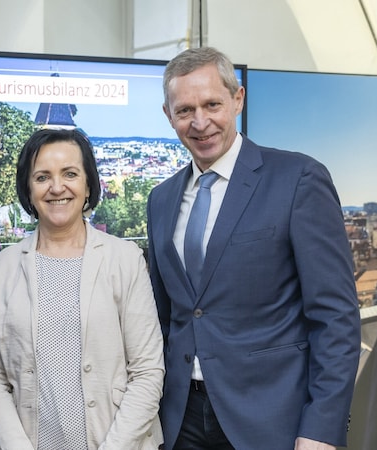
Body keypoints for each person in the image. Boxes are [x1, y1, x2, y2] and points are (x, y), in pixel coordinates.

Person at [146, 46, 361, 450]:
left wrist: (321, 428)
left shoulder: (298, 179)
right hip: (179, 420)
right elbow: (165, 316)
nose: (200, 122)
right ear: (168, 115)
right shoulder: (161, 198)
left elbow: (334, 317)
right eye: (185, 110)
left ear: (238, 99)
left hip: (272, 420)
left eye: (212, 104)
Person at [0, 128, 165, 449]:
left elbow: (147, 372)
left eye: (70, 174)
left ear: (88, 183)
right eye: (42, 177)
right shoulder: (1, 269)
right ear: (27, 187)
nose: (56, 187)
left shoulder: (125, 260)